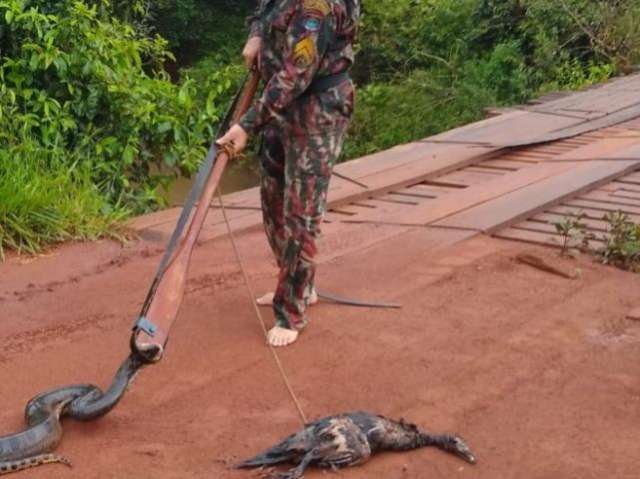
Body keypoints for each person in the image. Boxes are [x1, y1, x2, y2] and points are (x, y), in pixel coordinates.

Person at [217, 0, 359, 347]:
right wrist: (255, 36)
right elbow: (261, 13)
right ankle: (298, 283)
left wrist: (247, 124)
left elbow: (298, 72)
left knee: (301, 214)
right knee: (273, 202)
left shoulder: (317, 6)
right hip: (279, 109)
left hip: (317, 110)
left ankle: (291, 311)